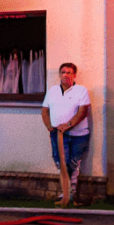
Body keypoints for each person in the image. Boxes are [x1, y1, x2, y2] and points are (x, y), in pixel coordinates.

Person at [40, 63, 90, 205]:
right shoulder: (53, 90)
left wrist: (68, 125)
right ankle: (65, 193)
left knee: (73, 164)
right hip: (58, 134)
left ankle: (72, 194)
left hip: (78, 135)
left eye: (69, 72)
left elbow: (83, 111)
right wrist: (49, 126)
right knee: (61, 162)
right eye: (63, 72)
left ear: (74, 75)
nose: (65, 75)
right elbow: (45, 110)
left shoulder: (81, 91)